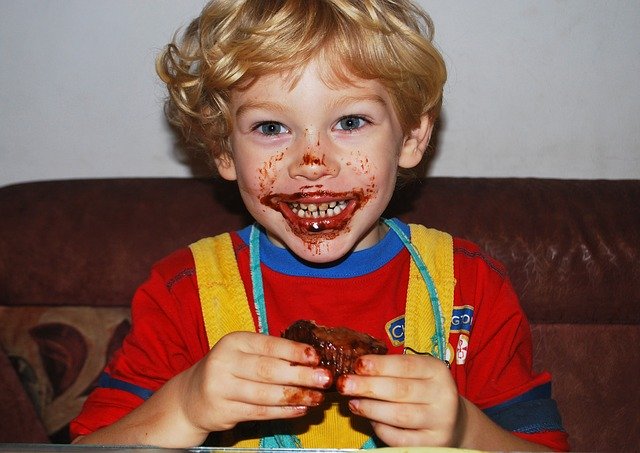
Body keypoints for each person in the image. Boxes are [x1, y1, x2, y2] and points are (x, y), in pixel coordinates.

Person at [71, 0, 568, 450]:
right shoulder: (183, 293)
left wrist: (464, 431)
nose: (312, 161)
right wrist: (183, 407)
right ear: (224, 150)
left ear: (412, 137)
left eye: (350, 122)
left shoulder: (471, 285)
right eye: (271, 128)